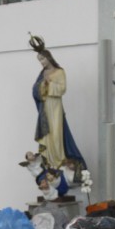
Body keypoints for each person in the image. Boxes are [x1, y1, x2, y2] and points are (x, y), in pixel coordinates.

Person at [29, 34, 85, 174]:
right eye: (39, 60)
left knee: (56, 133)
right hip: (45, 108)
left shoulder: (60, 72)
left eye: (42, 59)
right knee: (47, 135)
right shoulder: (42, 74)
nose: (41, 62)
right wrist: (42, 84)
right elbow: (35, 90)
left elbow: (62, 89)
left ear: (49, 57)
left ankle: (59, 160)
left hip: (56, 107)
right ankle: (49, 162)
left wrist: (49, 83)